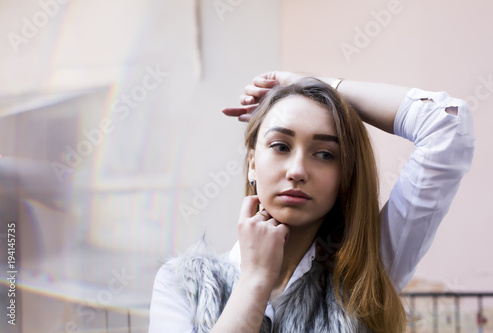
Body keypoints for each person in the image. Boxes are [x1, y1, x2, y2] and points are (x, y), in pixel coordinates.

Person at [148, 72, 475, 333]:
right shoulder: (182, 282)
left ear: (344, 176)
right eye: (280, 146)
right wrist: (254, 281)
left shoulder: (369, 268)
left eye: (324, 154)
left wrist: (312, 84)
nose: (298, 171)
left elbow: (447, 124)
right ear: (251, 163)